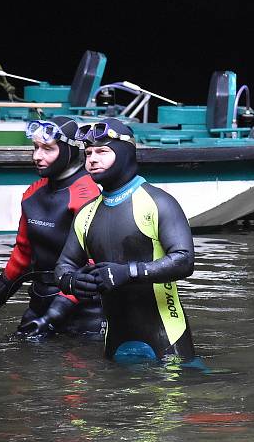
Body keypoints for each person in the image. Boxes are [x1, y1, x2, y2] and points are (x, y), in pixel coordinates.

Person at [53, 118, 196, 361]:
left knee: (175, 394)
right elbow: (63, 266)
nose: (92, 159)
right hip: (115, 339)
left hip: (165, 336)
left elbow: (184, 261)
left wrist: (129, 272)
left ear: (125, 154)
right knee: (114, 397)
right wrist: (72, 281)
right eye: (88, 153)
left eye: (102, 152)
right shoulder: (86, 213)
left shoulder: (157, 202)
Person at [0, 116, 103, 338]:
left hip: (84, 311)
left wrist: (53, 315)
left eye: (47, 149)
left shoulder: (88, 194)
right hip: (40, 302)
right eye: (35, 148)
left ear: (70, 151)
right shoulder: (33, 193)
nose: (37, 157)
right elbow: (22, 254)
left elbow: (93, 266)